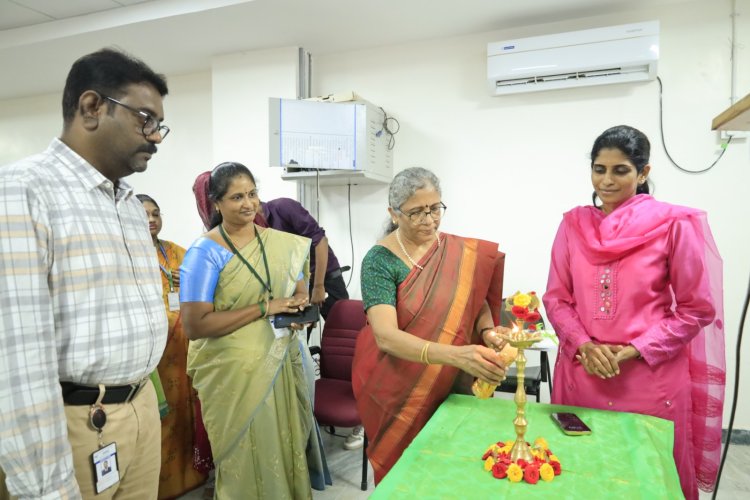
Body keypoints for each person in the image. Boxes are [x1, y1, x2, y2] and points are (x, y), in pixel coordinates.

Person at [0, 48, 170, 498]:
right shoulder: (23, 191)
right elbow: (17, 358)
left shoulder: (130, 205)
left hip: (139, 409)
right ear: (92, 107)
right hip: (73, 423)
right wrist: (46, 487)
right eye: (144, 119)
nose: (155, 137)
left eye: (158, 125)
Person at [543, 125, 725, 500]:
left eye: (620, 170)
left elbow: (696, 309)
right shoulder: (573, 225)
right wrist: (584, 346)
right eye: (599, 169)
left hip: (648, 377)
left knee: (645, 477)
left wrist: (631, 350)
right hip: (584, 372)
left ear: (643, 173)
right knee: (584, 470)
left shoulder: (674, 225)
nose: (606, 180)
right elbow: (557, 298)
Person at [180, 162, 331, 499]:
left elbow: (298, 291)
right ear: (216, 203)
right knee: (245, 455)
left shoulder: (279, 243)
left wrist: (297, 307)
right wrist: (265, 307)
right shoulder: (204, 253)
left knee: (282, 441)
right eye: (236, 197)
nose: (248, 203)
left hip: (279, 361)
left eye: (252, 194)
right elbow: (194, 325)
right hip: (233, 374)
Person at [351, 166, 511, 483]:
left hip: (453, 382)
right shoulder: (379, 260)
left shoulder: (457, 251)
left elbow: (475, 302)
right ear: (393, 214)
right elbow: (386, 337)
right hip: (399, 387)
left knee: (453, 470)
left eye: (435, 209)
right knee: (410, 477)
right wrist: (455, 355)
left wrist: (488, 332)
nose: (429, 220)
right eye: (416, 213)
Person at [137, 194, 208, 499]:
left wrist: (188, 281)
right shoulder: (128, 256)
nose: (152, 219)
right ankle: (160, 485)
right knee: (161, 416)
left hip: (187, 346)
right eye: (144, 215)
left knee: (190, 411)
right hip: (154, 353)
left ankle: (193, 473)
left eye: (156, 213)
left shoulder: (177, 252)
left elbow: (207, 289)